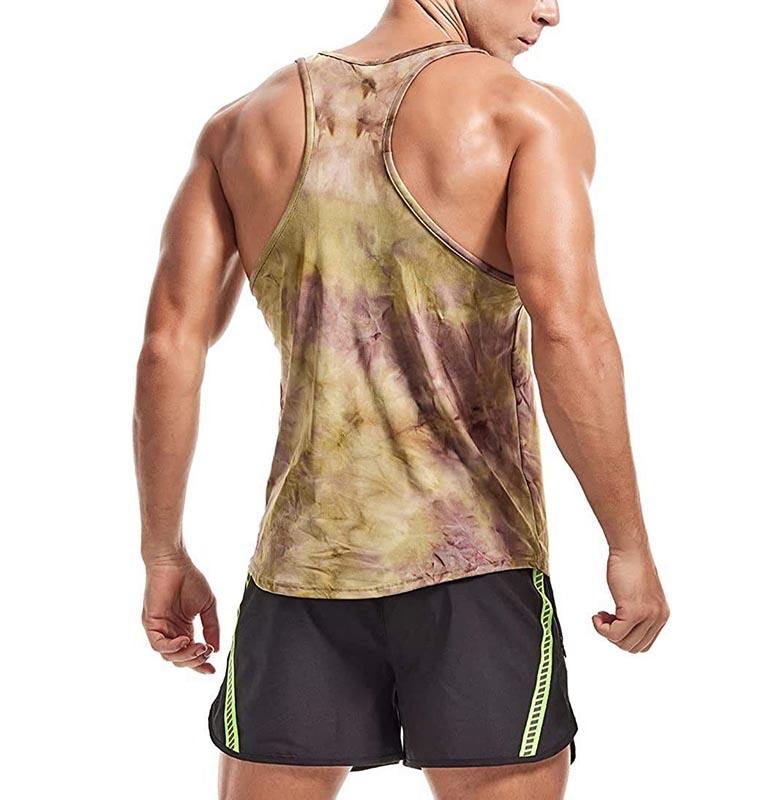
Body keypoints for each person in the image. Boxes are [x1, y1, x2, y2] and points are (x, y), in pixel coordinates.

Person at [134, 1, 669, 798]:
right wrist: (627, 545)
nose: (551, 12)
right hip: (475, 563)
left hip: (300, 572)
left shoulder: (244, 125)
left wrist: (163, 553)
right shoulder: (524, 115)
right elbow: (570, 331)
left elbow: (169, 346)